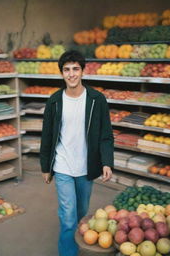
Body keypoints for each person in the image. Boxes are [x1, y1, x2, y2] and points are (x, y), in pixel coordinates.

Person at [40, 50, 114, 256]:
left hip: (86, 166)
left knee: (81, 213)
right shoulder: (54, 101)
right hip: (62, 165)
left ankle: (74, 241)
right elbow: (47, 136)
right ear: (62, 73)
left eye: (75, 69)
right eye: (66, 70)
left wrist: (106, 162)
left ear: (82, 71)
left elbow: (106, 135)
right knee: (68, 216)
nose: (71, 74)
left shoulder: (96, 100)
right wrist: (45, 167)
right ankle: (68, 253)